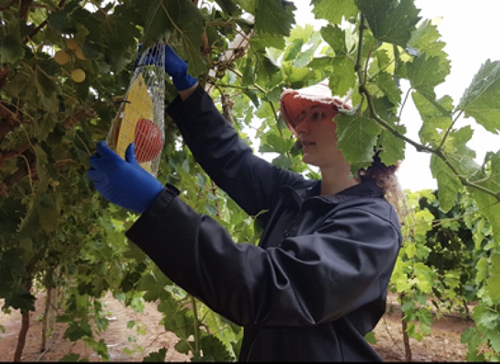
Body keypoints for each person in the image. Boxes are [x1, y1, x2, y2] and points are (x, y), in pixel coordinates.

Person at [87, 44, 404, 362]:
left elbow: (271, 286)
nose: (302, 127)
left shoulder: (374, 225)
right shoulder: (296, 194)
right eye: (302, 117)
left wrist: (155, 204)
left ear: (360, 129)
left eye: (318, 115)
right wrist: (187, 86)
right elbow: (233, 160)